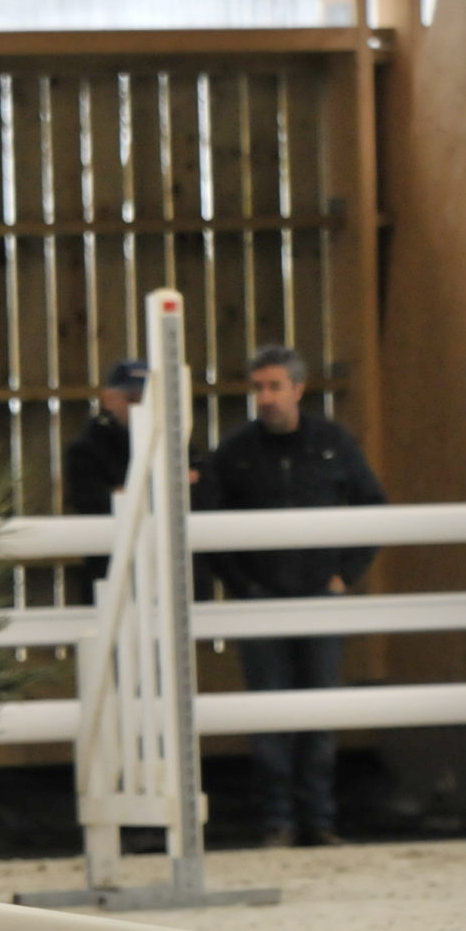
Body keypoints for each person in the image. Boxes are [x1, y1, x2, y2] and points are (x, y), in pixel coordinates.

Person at [201, 345, 387, 848]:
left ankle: (318, 819)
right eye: (258, 387)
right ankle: (277, 821)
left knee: (321, 712)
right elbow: (207, 525)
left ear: (298, 389)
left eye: (274, 386)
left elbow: (373, 506)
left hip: (320, 597)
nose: (265, 397)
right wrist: (244, 587)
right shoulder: (236, 452)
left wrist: (345, 575)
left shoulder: (332, 443)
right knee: (268, 714)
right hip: (262, 602)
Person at [62, 358, 149, 603]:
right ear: (109, 399)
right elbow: (92, 504)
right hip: (110, 577)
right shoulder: (86, 449)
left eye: (147, 398)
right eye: (133, 398)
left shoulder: (175, 444)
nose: (141, 406)